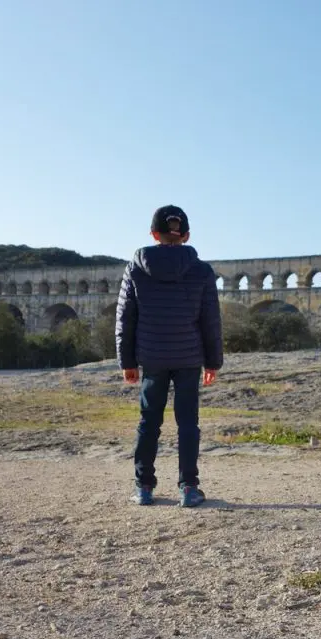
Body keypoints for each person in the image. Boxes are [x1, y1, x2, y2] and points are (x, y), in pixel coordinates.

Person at [116, 204, 223, 507]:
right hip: (189, 358)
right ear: (186, 236)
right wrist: (213, 361)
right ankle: (189, 488)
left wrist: (127, 361)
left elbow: (125, 317)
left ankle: (143, 488)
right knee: (188, 423)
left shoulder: (136, 267)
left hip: (151, 357)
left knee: (149, 422)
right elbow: (210, 319)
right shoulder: (201, 270)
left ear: (153, 234)